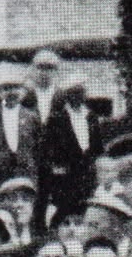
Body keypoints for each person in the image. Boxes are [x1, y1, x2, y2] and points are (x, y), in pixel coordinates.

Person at [39, 79, 100, 227]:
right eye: (73, 93)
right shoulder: (56, 118)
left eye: (80, 92)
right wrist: (56, 167)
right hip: (65, 173)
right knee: (63, 210)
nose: (78, 96)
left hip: (86, 172)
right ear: (67, 96)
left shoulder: (91, 117)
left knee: (84, 208)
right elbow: (47, 147)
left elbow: (97, 146)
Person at [0, 69, 41, 201]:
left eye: (15, 88)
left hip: (25, 172)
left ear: (22, 91)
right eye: (6, 88)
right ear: (0, 92)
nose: (11, 92)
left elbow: (38, 147)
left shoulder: (32, 117)